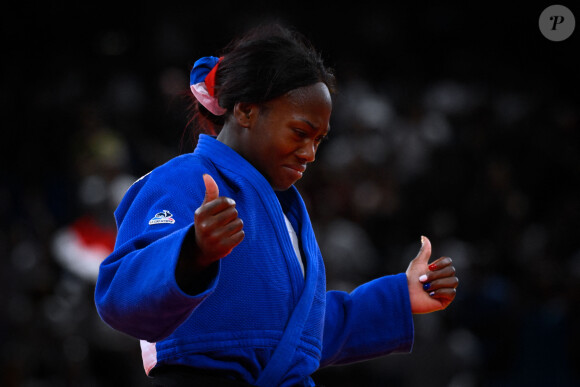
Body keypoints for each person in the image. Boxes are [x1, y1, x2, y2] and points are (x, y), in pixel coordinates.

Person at [94, 23, 459, 387]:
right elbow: (119, 296)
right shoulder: (181, 179)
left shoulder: (286, 212)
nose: (310, 154)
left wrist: (400, 297)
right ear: (246, 111)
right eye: (300, 133)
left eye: (319, 140)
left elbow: (295, 333)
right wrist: (192, 252)